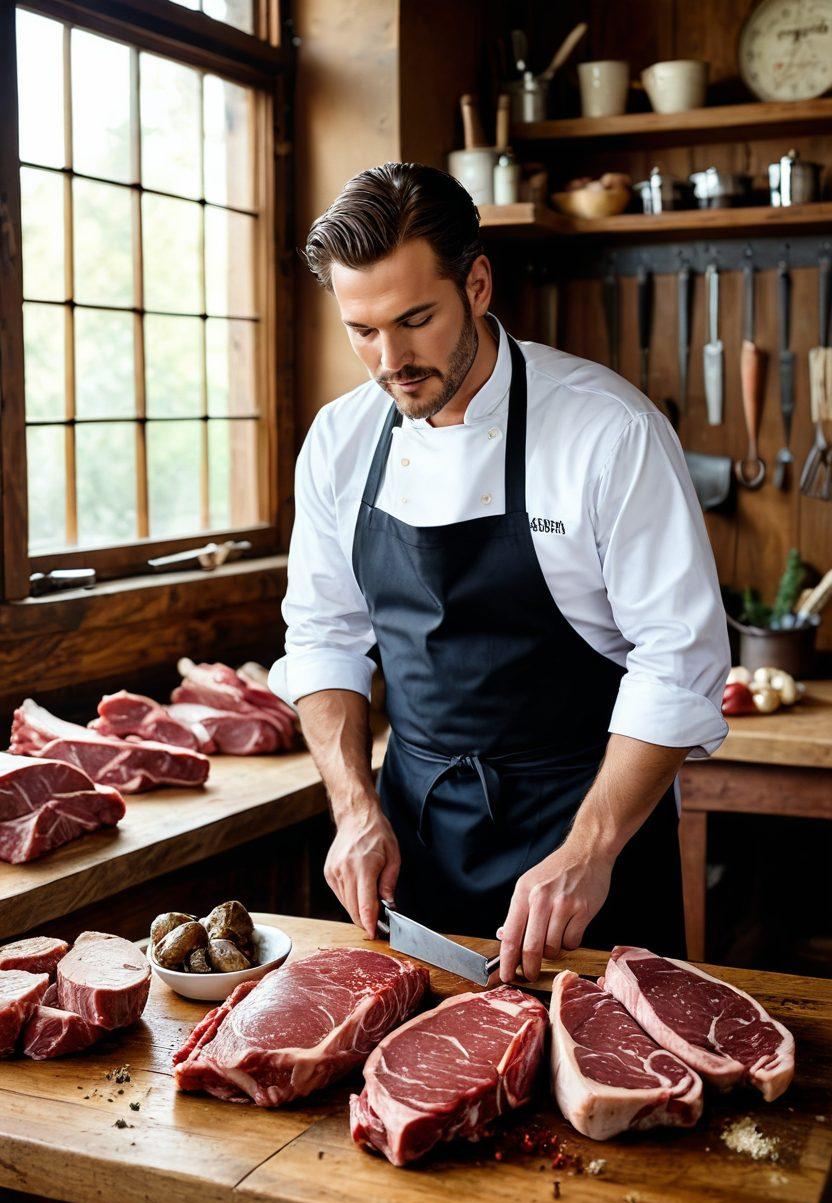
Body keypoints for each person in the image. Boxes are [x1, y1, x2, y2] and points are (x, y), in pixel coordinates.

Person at [269, 162, 730, 983]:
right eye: (362, 330)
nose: (391, 360)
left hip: (586, 839)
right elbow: (325, 634)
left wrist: (589, 850)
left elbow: (678, 660)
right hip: (412, 842)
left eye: (416, 320)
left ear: (477, 283)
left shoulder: (607, 431)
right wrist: (352, 808)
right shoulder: (340, 441)